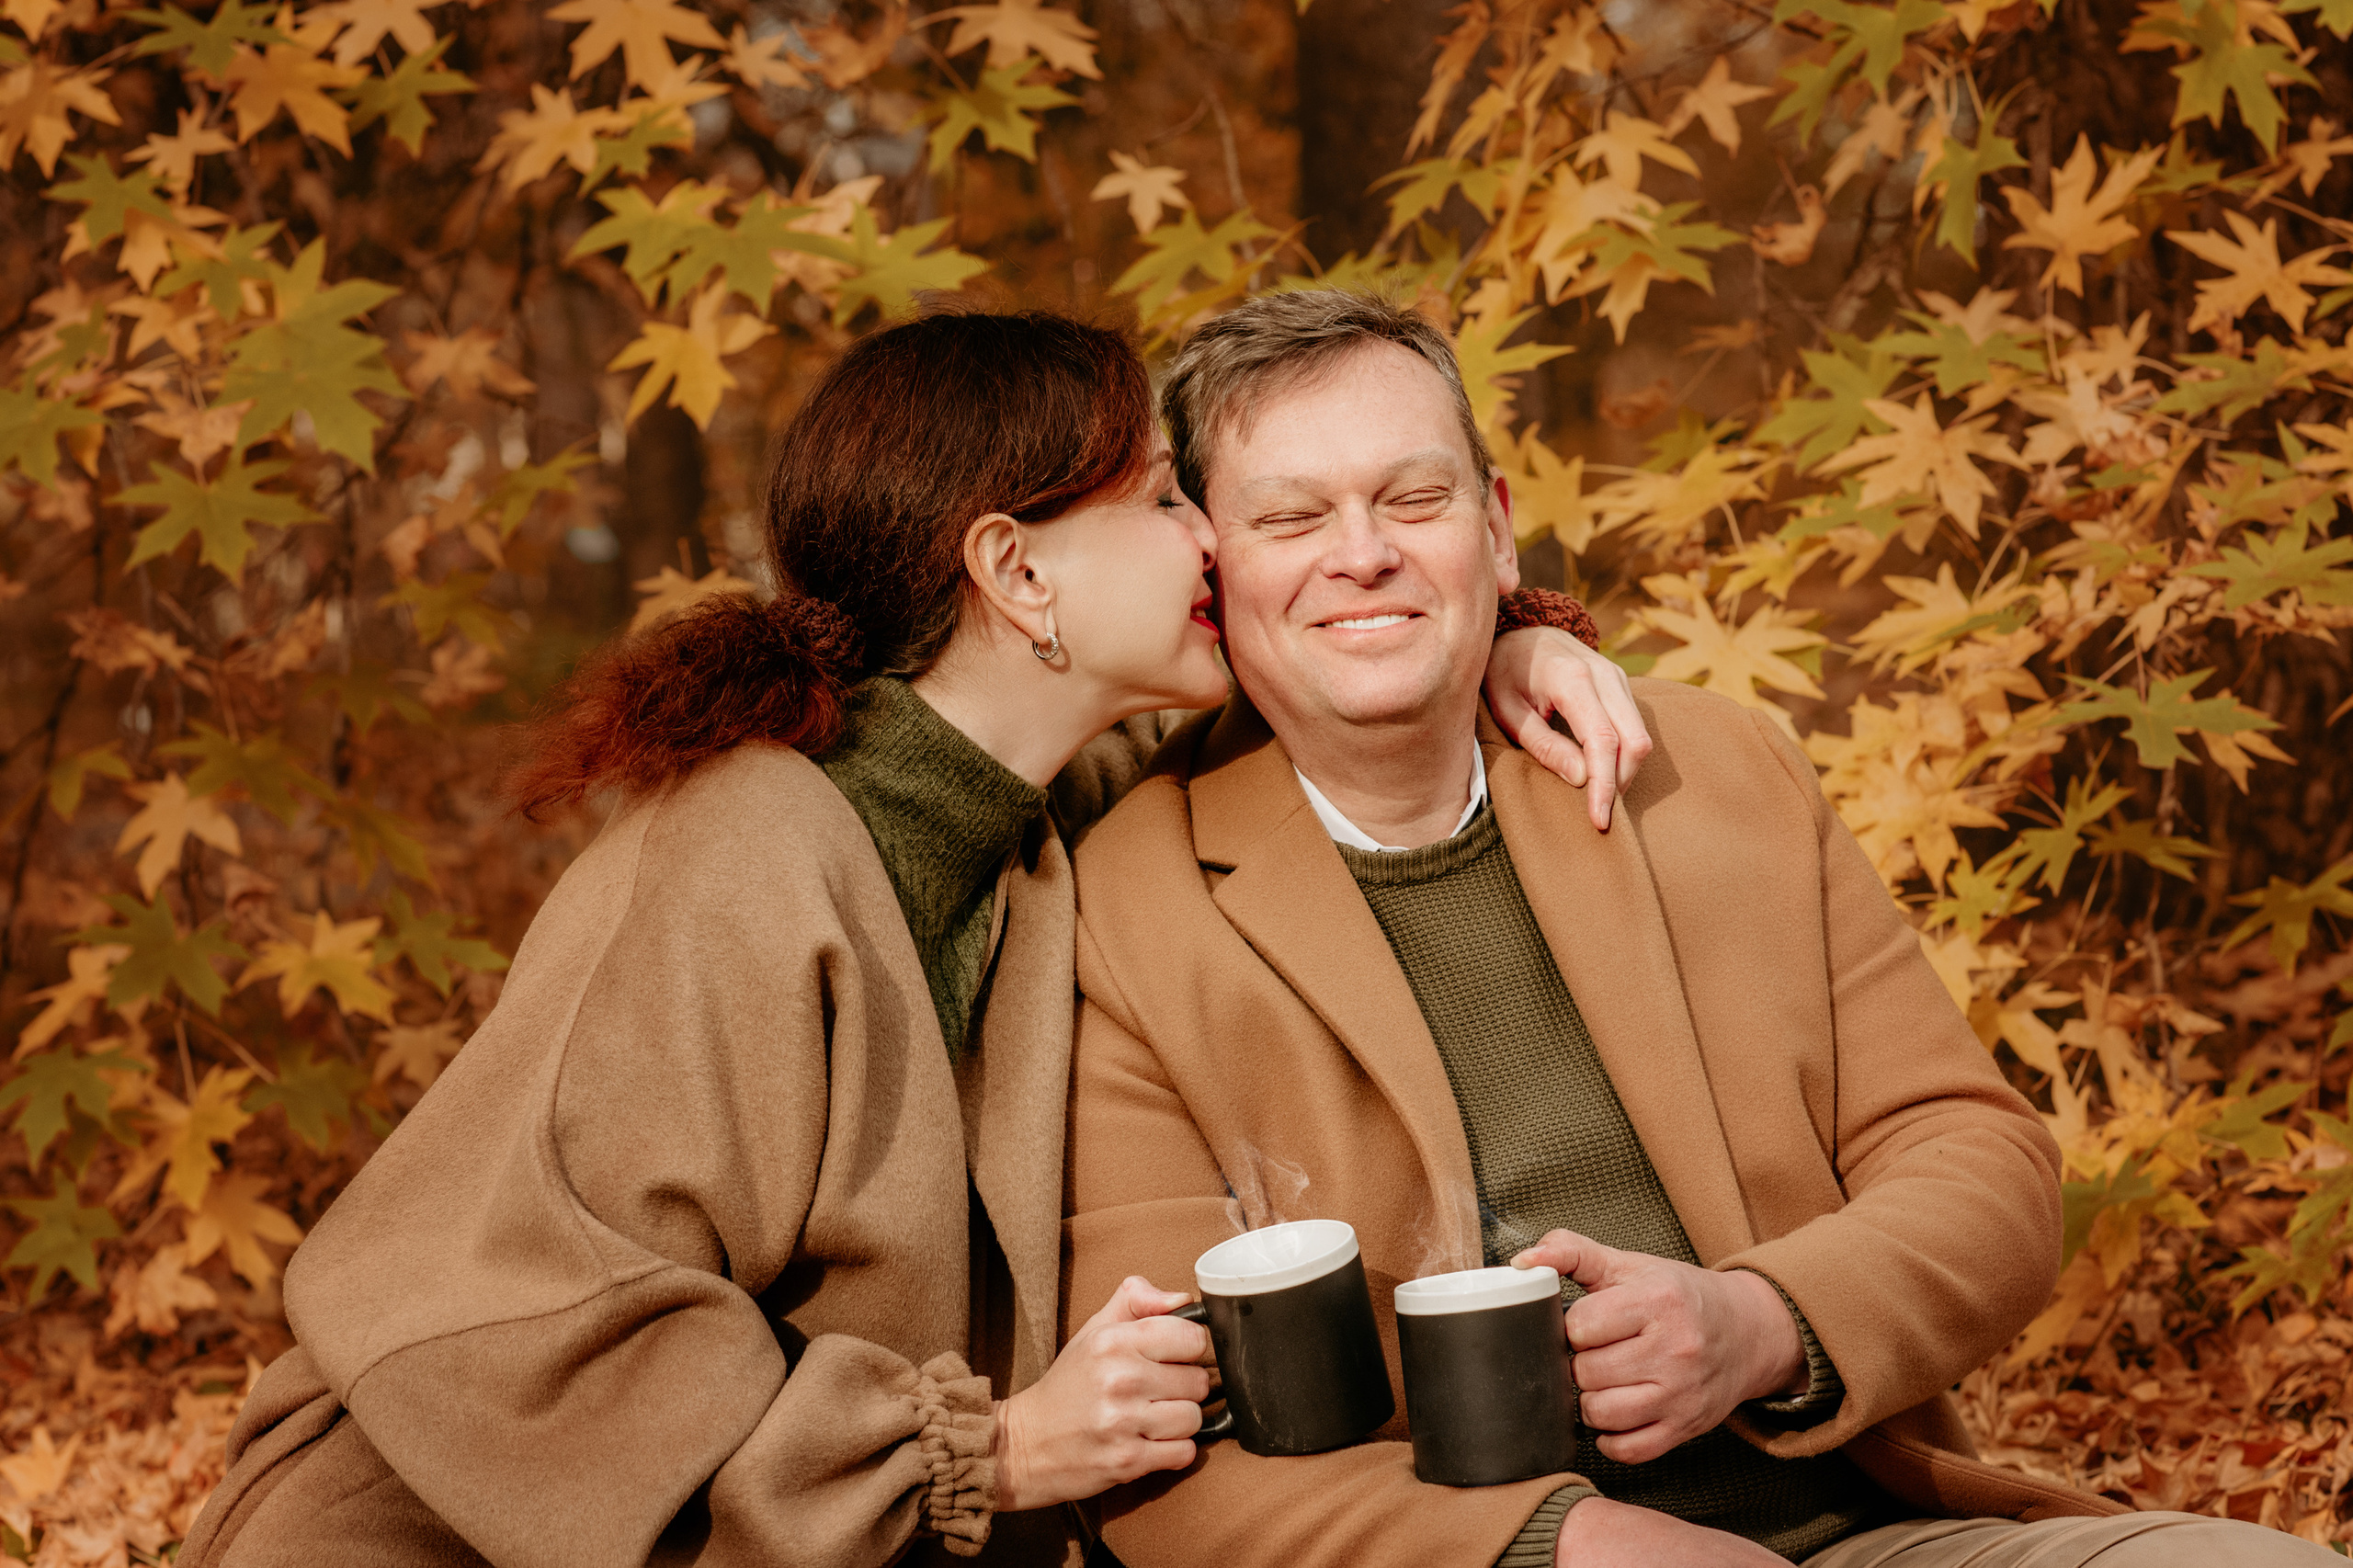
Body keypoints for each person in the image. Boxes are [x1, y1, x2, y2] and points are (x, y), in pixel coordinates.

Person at [177, 308, 1644, 1568]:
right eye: (1157, 498)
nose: (1212, 531)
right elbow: (540, 1322)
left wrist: (1513, 631)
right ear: (1016, 575)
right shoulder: (741, 852)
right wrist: (983, 1452)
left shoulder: (1035, 823)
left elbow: (1348, 663)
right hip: (449, 1533)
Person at [1058, 290, 2340, 1568]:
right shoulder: (1129, 908)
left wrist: (1759, 1320)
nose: (1364, 553)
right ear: (1213, 569)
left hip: (1872, 1536)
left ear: (1496, 536)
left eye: (1414, 499)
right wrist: (1573, 1545)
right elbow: (1177, 1454)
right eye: (1293, 516)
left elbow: (1980, 1161)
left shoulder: (1707, 770)